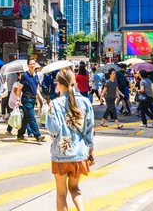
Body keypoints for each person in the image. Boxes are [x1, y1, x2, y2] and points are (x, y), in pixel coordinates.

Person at [46, 68, 94, 211]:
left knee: (61, 193)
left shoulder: (55, 104)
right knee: (75, 188)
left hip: (61, 154)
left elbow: (53, 131)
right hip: (80, 154)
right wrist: (90, 148)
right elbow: (89, 130)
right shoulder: (85, 102)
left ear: (60, 84)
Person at [15, 59, 47, 143]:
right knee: (32, 117)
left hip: (33, 99)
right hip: (26, 99)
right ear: (28, 65)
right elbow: (19, 88)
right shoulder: (25, 76)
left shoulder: (36, 76)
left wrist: (41, 98)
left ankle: (20, 134)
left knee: (26, 118)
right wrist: (18, 99)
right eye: (31, 64)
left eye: (34, 64)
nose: (33, 65)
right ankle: (38, 135)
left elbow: (36, 89)